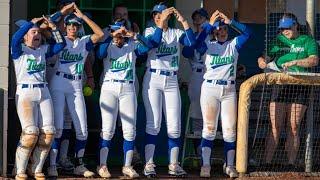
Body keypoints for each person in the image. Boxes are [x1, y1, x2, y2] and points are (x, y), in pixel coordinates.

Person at [187, 10, 251, 177]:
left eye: (223, 29)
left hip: (229, 89)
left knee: (230, 130)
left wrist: (230, 22)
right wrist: (209, 25)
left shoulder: (233, 44)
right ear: (213, 32)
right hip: (210, 89)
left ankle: (229, 165)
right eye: (218, 30)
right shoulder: (207, 44)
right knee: (209, 129)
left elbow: (248, 32)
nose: (221, 32)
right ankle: (206, 165)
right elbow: (196, 44)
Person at [47, 4, 104, 177]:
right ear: (65, 26)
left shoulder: (84, 41)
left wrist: (84, 17)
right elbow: (48, 27)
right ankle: (52, 165)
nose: (72, 28)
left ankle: (79, 163)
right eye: (69, 25)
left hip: (76, 85)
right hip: (58, 82)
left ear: (79, 27)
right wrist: (62, 14)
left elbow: (100, 34)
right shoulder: (60, 39)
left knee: (82, 128)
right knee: (57, 127)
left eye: (75, 25)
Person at [257, 13, 319, 169]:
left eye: (287, 28)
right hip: (280, 83)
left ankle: (291, 164)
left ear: (295, 25)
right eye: (282, 28)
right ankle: (267, 163)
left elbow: (314, 60)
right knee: (275, 126)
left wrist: (296, 61)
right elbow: (264, 57)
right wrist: (262, 61)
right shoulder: (277, 40)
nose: (284, 31)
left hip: (300, 84)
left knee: (293, 126)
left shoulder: (307, 40)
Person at [142, 3, 195, 177]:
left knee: (174, 125)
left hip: (172, 79)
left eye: (161, 14)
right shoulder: (150, 31)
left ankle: (174, 164)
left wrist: (184, 21)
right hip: (153, 79)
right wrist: (161, 22)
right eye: (156, 14)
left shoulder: (176, 32)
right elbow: (154, 42)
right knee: (154, 123)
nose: (158, 16)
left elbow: (191, 43)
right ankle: (149, 163)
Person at [11, 16, 66, 179]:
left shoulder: (43, 50)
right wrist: (31, 23)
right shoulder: (18, 49)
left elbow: (61, 44)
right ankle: (19, 169)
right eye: (33, 32)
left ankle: (36, 168)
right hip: (26, 93)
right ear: (26, 36)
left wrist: (53, 28)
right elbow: (15, 37)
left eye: (38, 33)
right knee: (30, 133)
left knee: (49, 133)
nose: (37, 35)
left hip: (44, 91)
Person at [95, 20, 151, 178]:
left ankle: (127, 166)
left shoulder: (131, 45)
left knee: (130, 130)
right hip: (109, 87)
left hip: (128, 88)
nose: (119, 36)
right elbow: (99, 54)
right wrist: (111, 36)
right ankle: (103, 165)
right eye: (116, 32)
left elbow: (147, 48)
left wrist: (134, 35)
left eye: (121, 33)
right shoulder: (108, 45)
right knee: (108, 129)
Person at [182, 8, 209, 157]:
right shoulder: (190, 36)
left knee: (211, 116)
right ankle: (199, 153)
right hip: (197, 76)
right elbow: (187, 52)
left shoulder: (213, 35)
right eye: (195, 19)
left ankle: (208, 153)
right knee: (197, 115)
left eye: (201, 18)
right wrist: (191, 39)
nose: (198, 21)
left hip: (210, 75)